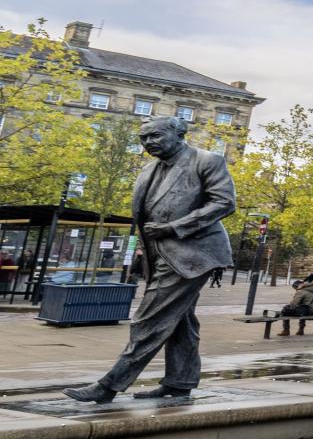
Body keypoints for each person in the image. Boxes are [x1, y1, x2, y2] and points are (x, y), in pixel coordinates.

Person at [64, 115, 235, 404]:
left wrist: (173, 227)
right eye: (143, 138)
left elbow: (224, 202)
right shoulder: (149, 170)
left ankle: (110, 385)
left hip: (194, 253)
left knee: (149, 318)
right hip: (159, 254)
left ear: (177, 134)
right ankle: (180, 382)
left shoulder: (207, 161)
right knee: (180, 321)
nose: (147, 143)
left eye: (154, 136)